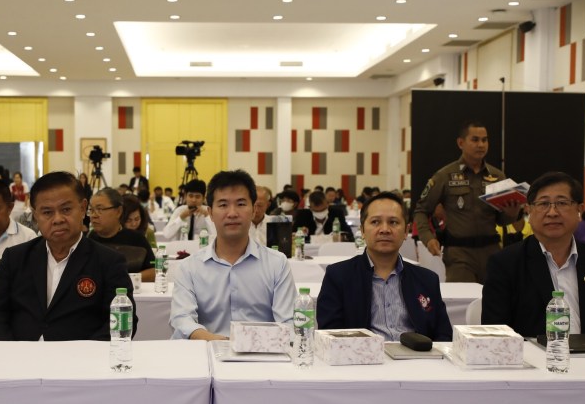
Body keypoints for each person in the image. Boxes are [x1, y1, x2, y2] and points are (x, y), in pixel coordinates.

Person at [482, 171, 585, 339]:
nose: (552, 212)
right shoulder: (505, 264)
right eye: (543, 203)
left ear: (579, 210)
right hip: (534, 355)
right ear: (529, 210)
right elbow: (495, 337)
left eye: (562, 203)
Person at [0, 171, 135, 341]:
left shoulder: (109, 262)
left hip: (83, 356)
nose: (58, 219)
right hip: (20, 354)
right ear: (35, 215)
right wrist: (11, 352)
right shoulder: (14, 258)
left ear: (83, 208)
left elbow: (123, 322)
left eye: (66, 209)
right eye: (47, 212)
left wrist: (87, 353)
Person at [170, 169, 297, 340]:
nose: (232, 213)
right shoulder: (189, 267)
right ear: (210, 213)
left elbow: (289, 322)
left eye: (241, 204)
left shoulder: (277, 263)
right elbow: (182, 320)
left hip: (264, 353)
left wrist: (246, 344)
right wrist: (221, 343)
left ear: (254, 210)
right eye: (223, 205)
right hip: (206, 349)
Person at [317, 192, 452, 340]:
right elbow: (330, 335)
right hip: (362, 353)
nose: (385, 229)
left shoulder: (427, 280)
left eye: (393, 222)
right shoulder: (338, 276)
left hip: (417, 354)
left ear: (406, 231)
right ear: (362, 231)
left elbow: (444, 336)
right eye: (375, 222)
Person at [413, 121, 521, 282]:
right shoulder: (445, 176)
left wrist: (512, 214)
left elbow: (501, 220)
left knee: (494, 297)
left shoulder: (497, 176)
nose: (481, 145)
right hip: (459, 255)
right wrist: (428, 239)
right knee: (463, 297)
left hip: (491, 252)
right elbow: (421, 210)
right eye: (475, 139)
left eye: (484, 140)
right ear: (461, 143)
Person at [88, 188, 156, 281]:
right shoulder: (90, 239)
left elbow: (153, 272)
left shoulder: (137, 239)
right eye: (91, 210)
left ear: (118, 211)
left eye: (99, 209)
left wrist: (125, 279)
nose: (93, 215)